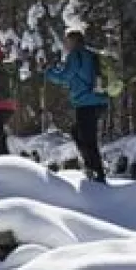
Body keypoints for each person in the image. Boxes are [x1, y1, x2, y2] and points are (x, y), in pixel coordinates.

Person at [44, 28, 110, 182]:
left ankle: (97, 173)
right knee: (79, 132)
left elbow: (65, 76)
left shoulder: (75, 55)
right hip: (99, 100)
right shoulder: (90, 55)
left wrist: (49, 72)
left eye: (67, 41)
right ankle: (93, 168)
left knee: (87, 138)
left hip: (86, 102)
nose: (65, 45)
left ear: (73, 41)